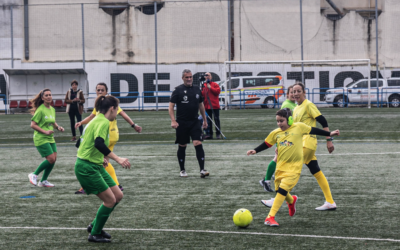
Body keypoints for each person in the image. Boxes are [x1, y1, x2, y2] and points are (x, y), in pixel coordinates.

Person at [247, 108, 339, 226]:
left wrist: (329, 134)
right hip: (281, 167)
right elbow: (267, 144)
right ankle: (291, 200)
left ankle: (270, 217)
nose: (279, 124)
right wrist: (255, 150)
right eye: (278, 121)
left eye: (282, 121)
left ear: (289, 120)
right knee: (278, 188)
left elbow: (313, 130)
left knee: (282, 190)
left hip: (294, 169)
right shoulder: (276, 133)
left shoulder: (298, 127)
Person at [75, 95, 131, 243]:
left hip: (95, 164)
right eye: (117, 109)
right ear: (112, 109)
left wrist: (101, 158)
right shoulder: (103, 122)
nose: (117, 112)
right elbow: (99, 143)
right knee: (110, 200)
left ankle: (95, 226)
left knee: (118, 196)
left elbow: (85, 143)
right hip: (87, 168)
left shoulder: (96, 120)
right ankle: (94, 234)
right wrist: (117, 158)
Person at [74, 82, 142, 194]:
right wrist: (81, 122)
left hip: (109, 135)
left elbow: (123, 114)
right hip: (100, 140)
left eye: (102, 90)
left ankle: (97, 185)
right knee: (104, 162)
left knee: (102, 161)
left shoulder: (108, 108)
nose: (100, 92)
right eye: (98, 90)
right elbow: (91, 118)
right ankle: (113, 185)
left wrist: (133, 125)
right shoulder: (100, 109)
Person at [290, 82, 338, 211]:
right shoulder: (296, 108)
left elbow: (323, 121)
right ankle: (330, 202)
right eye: (294, 91)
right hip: (302, 144)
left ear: (304, 92)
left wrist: (329, 140)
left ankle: (280, 197)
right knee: (316, 171)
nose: (296, 94)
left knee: (291, 168)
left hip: (307, 143)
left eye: (298, 91)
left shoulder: (308, 105)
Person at [169, 69, 209, 178]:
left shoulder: (197, 89)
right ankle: (182, 170)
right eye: (187, 77)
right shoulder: (177, 90)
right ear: (183, 78)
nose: (189, 79)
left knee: (198, 143)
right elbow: (171, 106)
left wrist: (205, 120)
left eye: (190, 77)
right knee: (182, 145)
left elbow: (201, 105)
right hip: (181, 123)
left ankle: (202, 170)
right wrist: (173, 120)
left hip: (195, 121)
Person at [259, 85, 296, 192]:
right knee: (278, 158)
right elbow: (285, 120)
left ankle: (272, 178)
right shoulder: (287, 104)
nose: (294, 94)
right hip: (285, 136)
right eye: (291, 92)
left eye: (296, 92)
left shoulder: (295, 104)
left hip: (291, 135)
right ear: (287, 94)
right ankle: (266, 181)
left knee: (281, 159)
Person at [28, 88, 65, 187]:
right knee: (51, 159)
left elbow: (52, 122)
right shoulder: (40, 110)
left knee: (54, 159)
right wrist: (45, 131)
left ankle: (43, 181)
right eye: (46, 95)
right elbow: (33, 125)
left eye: (50, 95)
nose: (49, 97)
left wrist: (58, 127)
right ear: (42, 98)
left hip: (50, 137)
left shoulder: (52, 109)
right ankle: (34, 174)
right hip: (41, 137)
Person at [201, 72, 221, 139]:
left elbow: (217, 92)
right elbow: (202, 95)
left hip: (214, 106)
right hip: (206, 106)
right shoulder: (203, 85)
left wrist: (211, 88)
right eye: (206, 76)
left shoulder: (215, 84)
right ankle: (209, 134)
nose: (207, 77)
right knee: (208, 121)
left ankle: (218, 134)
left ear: (211, 77)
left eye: (208, 75)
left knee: (216, 120)